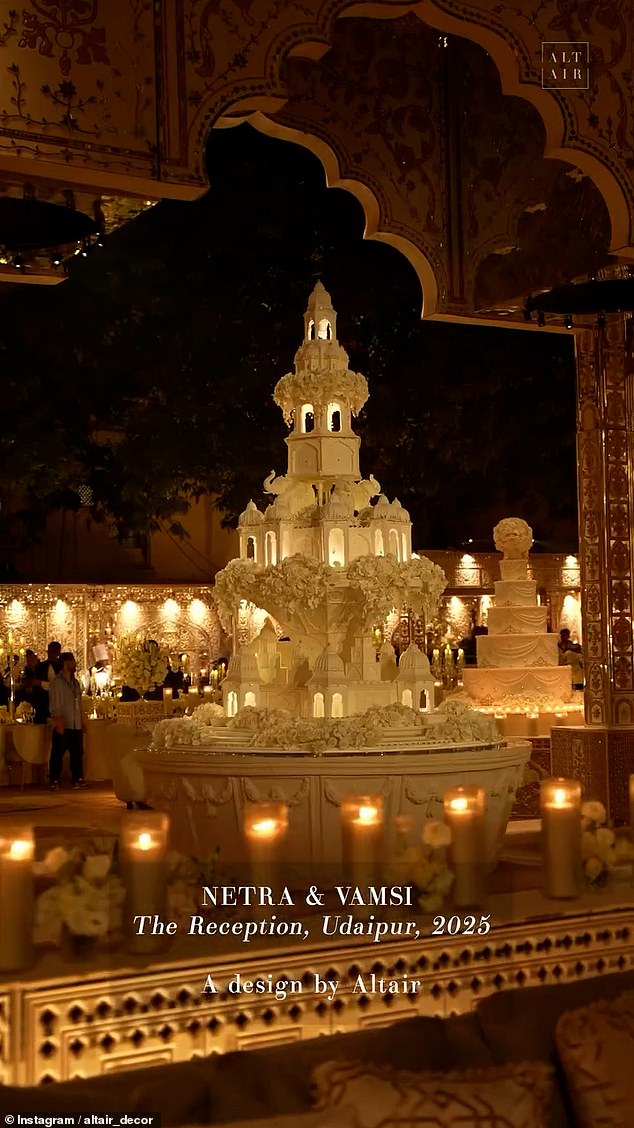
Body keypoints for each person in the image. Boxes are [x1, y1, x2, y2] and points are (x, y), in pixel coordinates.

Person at [48, 652, 87, 790]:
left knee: (77, 753)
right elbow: (55, 703)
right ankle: (54, 780)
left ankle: (77, 778)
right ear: (65, 664)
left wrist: (81, 721)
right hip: (63, 723)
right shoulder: (57, 683)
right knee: (58, 753)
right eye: (72, 661)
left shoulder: (75, 683)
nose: (75, 664)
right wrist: (58, 720)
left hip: (75, 723)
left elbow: (79, 703)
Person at [17, 649, 48, 723]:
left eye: (31, 658)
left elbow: (53, 686)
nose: (29, 661)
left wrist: (40, 683)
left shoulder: (44, 668)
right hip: (28, 704)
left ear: (35, 658)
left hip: (43, 705)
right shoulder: (25, 671)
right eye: (27, 659)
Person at [35, 641, 62, 712]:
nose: (52, 654)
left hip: (59, 701)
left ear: (58, 653)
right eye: (50, 652)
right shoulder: (40, 666)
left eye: (54, 652)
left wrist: (42, 683)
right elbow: (36, 683)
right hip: (43, 701)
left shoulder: (62, 667)